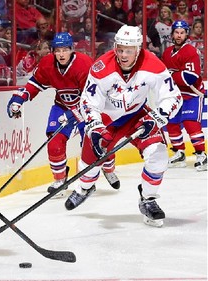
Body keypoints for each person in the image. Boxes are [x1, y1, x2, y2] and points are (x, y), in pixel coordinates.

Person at [66, 25, 182, 227]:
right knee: (89, 162)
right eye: (120, 49)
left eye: (129, 50)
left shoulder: (153, 64)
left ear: (138, 49)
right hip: (106, 119)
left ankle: (148, 199)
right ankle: (85, 187)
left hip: (137, 115)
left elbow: (173, 96)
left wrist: (156, 118)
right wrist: (94, 127)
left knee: (158, 153)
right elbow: (89, 101)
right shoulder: (101, 68)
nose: (123, 55)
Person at [7, 32, 120, 196]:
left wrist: (72, 114)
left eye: (64, 50)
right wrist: (21, 97)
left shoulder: (83, 64)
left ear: (71, 50)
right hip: (62, 106)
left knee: (97, 142)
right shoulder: (47, 63)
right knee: (54, 141)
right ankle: (60, 180)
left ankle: (108, 169)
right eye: (57, 50)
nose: (61, 54)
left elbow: (90, 98)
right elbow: (36, 83)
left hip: (88, 109)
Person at [161, 20, 207, 171]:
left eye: (182, 32)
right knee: (172, 123)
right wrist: (173, 75)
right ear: (172, 33)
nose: (179, 35)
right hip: (175, 96)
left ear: (187, 34)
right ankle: (179, 153)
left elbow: (190, 77)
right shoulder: (167, 53)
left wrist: (172, 74)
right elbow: (163, 75)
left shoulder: (190, 51)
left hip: (192, 94)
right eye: (176, 32)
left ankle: (202, 155)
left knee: (190, 123)